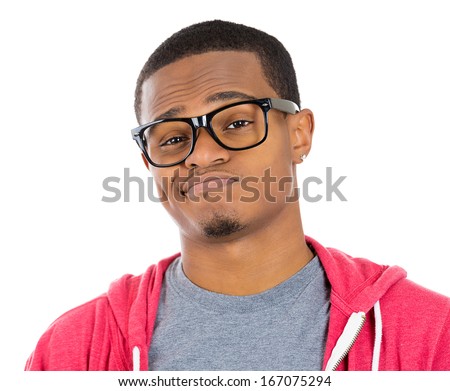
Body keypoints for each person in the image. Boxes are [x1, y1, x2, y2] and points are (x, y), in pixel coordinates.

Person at [25, 20, 450, 371]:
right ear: (149, 166)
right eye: (173, 137)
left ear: (299, 135)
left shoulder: (433, 335)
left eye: (235, 123)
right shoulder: (70, 350)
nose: (203, 155)